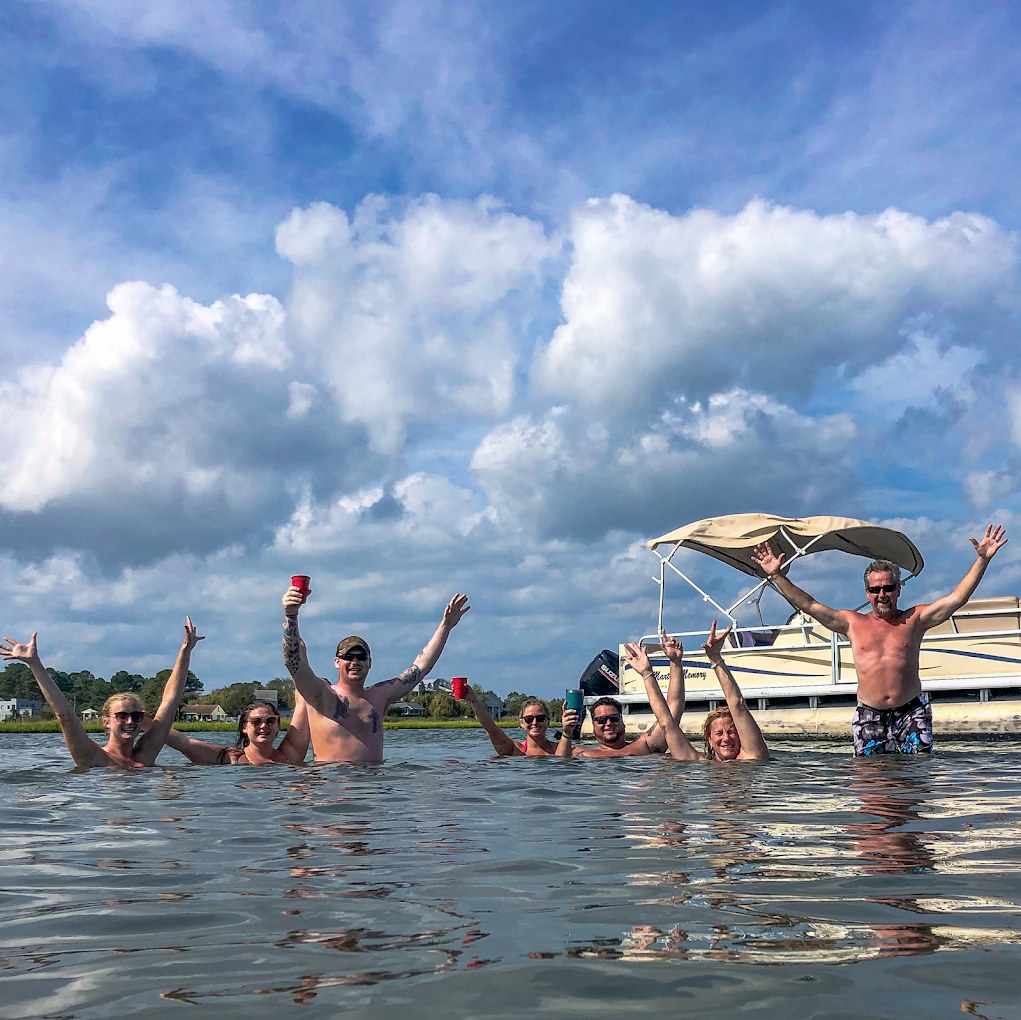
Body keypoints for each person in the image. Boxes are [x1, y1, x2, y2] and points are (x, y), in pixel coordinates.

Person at [751, 523, 1009, 756]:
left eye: (888, 588)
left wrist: (982, 560)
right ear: (867, 592)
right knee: (871, 782)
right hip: (869, 714)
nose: (882, 594)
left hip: (911, 712)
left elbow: (957, 598)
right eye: (875, 589)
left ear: (898, 589)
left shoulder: (915, 620)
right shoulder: (852, 623)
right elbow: (809, 605)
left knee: (918, 777)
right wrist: (777, 576)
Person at [281, 584, 470, 763]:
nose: (355, 662)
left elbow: (420, 667)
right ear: (337, 662)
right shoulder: (321, 695)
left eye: (361, 656)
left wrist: (445, 626)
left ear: (369, 662)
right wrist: (291, 615)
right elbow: (293, 662)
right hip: (332, 781)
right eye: (348, 656)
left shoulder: (379, 696)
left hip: (374, 784)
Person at [0, 618, 204, 770]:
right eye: (122, 716)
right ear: (106, 722)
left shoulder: (146, 754)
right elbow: (65, 715)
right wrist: (34, 663)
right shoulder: (93, 757)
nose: (130, 721)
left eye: (136, 716)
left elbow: (170, 700)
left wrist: (185, 651)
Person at [616, 620, 769, 763]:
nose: (726, 739)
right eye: (719, 733)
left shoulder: (753, 756)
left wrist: (715, 658)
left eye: (731, 732)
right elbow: (666, 723)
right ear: (709, 740)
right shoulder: (697, 762)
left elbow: (737, 704)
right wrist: (646, 673)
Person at [558, 630, 690, 758]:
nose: (608, 723)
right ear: (593, 726)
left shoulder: (644, 746)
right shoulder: (583, 755)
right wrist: (567, 732)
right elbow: (560, 762)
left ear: (623, 721)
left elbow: (672, 711)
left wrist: (675, 662)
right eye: (601, 720)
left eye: (614, 718)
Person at [160, 696, 310, 765]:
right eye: (256, 721)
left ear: (277, 726)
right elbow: (184, 743)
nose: (264, 726)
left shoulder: (289, 755)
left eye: (270, 721)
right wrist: (149, 724)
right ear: (244, 727)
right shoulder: (231, 758)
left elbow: (303, 702)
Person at [461, 688, 569, 756]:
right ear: (522, 723)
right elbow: (492, 730)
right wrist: (473, 700)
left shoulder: (564, 748)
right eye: (529, 719)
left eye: (540, 718)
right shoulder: (515, 749)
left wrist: (567, 732)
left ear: (548, 721)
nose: (534, 723)